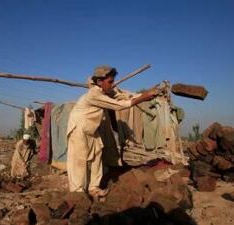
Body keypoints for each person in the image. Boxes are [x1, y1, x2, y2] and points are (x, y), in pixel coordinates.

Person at [66, 65, 162, 197]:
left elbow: (123, 96)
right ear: (99, 82)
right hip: (78, 129)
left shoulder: (105, 91)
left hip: (91, 129)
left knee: (96, 157)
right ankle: (76, 195)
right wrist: (143, 97)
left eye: (112, 81)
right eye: (110, 82)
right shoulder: (93, 95)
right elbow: (119, 106)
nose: (112, 85)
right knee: (79, 161)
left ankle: (94, 188)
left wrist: (145, 95)